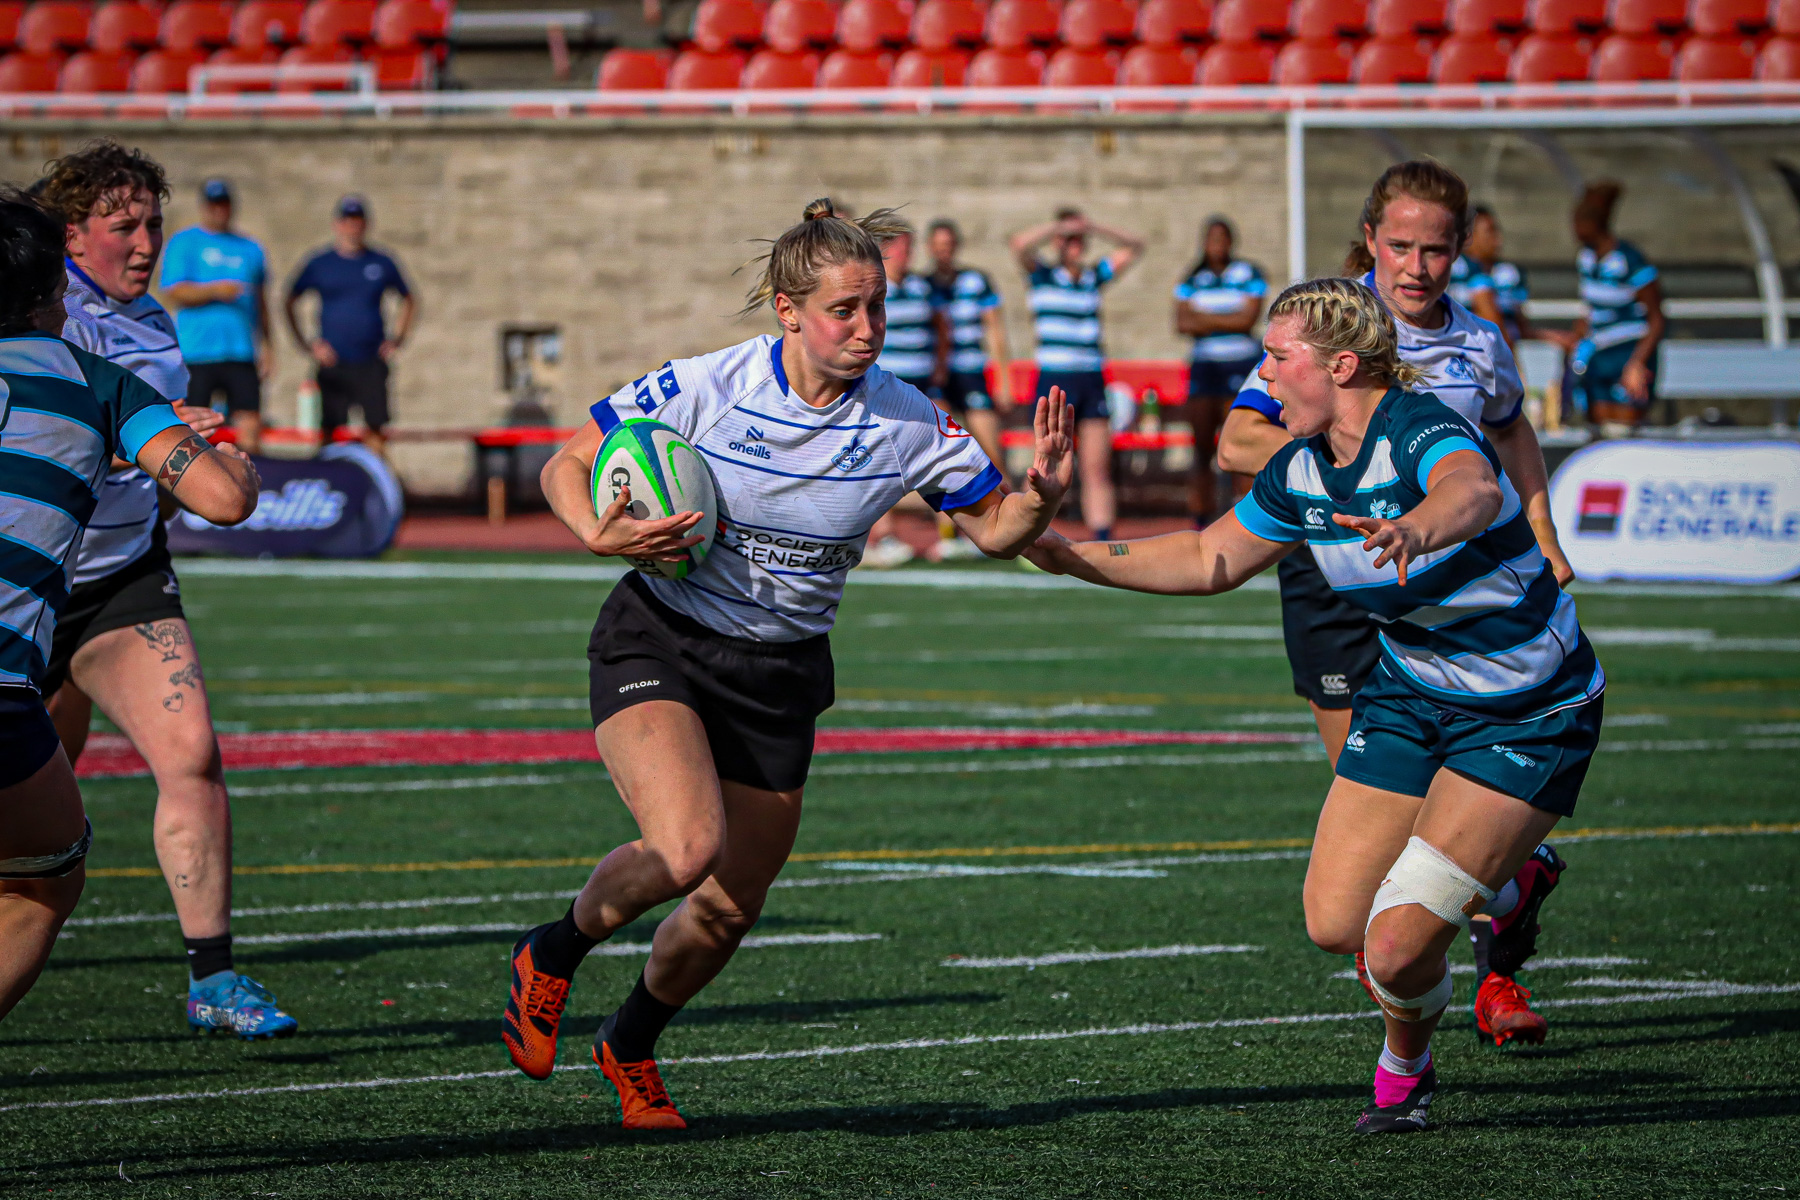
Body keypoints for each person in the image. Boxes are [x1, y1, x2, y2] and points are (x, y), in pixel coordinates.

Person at [501, 198, 1074, 1130]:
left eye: (877, 308)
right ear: (787, 309)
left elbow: (997, 529)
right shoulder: (706, 385)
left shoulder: (911, 419)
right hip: (663, 636)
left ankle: (630, 1044)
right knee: (687, 850)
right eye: (845, 309)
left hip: (782, 672)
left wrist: (1040, 496)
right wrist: (597, 531)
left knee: (728, 908)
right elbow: (568, 460)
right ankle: (551, 954)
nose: (866, 329)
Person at [1028, 277, 1606, 1134]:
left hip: (1530, 711)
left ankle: (1405, 1068)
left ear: (1341, 365)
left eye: (1277, 356)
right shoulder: (1301, 467)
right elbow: (1207, 557)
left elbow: (1472, 491)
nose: (1262, 376)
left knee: (1395, 949)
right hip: (1411, 694)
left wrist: (1419, 528)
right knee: (1337, 923)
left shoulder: (1421, 429)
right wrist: (1069, 554)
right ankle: (1511, 891)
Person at [1216, 161, 1574, 1049]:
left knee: (1444, 824)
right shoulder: (1327, 325)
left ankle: (1484, 983)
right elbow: (1235, 440)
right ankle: (1494, 902)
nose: (1417, 266)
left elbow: (1507, 433)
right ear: (1370, 239)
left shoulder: (1479, 344)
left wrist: (1543, 527)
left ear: (1461, 252)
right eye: (1401, 245)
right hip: (1339, 576)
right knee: (1394, 819)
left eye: (1438, 249)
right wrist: (1344, 467)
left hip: (1448, 584)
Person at [34, 141, 299, 1040]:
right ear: (70, 236)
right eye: (124, 225)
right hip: (26, 583)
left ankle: (214, 977)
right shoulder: (36, 319)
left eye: (154, 222)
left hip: (120, 578)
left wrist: (194, 448)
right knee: (35, 806)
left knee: (191, 755)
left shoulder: (151, 315)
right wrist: (159, 442)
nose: (147, 242)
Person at [1010, 207, 1143, 541]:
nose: (1074, 245)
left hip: (1091, 377)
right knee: (1046, 465)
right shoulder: (1041, 274)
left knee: (1097, 466)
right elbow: (1018, 244)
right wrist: (1058, 226)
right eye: (1067, 239)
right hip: (1055, 377)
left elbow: (1135, 246)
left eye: (1078, 239)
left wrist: (1093, 225)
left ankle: (1102, 538)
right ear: (1057, 240)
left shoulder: (1092, 276)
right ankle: (1035, 535)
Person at [284, 195, 416, 453]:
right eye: (347, 221)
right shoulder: (321, 263)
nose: (352, 227)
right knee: (330, 431)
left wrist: (397, 339)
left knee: (376, 429)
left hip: (370, 360)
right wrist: (307, 345)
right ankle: (328, 485)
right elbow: (289, 300)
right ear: (337, 224)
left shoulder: (380, 262)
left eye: (357, 221)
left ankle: (377, 484)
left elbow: (409, 299)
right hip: (334, 361)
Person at [925, 218, 1014, 562]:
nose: (944, 252)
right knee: (939, 452)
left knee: (991, 448)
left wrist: (1004, 379)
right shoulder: (924, 285)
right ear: (931, 249)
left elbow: (996, 331)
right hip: (941, 375)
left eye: (949, 245)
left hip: (973, 372)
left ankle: (1011, 524)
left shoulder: (975, 280)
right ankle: (948, 534)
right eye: (938, 246)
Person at [160, 178, 270, 454]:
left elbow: (261, 301)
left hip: (240, 350)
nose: (219, 211)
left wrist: (267, 345)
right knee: (193, 428)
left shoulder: (250, 248)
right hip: (197, 351)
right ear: (204, 207)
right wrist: (215, 291)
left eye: (223, 205)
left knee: (250, 421)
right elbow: (173, 291)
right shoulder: (184, 242)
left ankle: (251, 480)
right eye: (213, 205)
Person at [864, 220, 949, 568]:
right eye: (903, 247)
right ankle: (882, 537)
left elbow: (943, 327)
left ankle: (950, 536)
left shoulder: (921, 286)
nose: (909, 255)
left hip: (923, 388)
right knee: (877, 460)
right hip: (884, 389)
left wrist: (941, 368)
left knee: (943, 450)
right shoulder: (873, 285)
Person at [1547, 182, 1664, 429]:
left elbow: (1656, 319)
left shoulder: (1629, 260)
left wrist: (1637, 364)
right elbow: (1590, 310)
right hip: (1598, 354)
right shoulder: (1586, 259)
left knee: (1625, 430)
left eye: (1578, 221)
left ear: (1594, 223)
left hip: (1627, 353)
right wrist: (1574, 342)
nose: (1574, 228)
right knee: (1599, 428)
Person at [1172, 216, 1266, 526]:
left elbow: (1248, 320)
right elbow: (1182, 323)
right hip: (1205, 369)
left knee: (1240, 440)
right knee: (1201, 446)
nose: (1217, 245)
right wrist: (1228, 317)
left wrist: (1205, 318)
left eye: (1222, 238)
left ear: (1230, 242)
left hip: (1239, 366)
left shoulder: (1248, 273)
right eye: (1211, 239)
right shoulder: (1191, 278)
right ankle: (1201, 515)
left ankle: (1247, 514)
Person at [1449, 206, 1533, 351]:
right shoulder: (1455, 268)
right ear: (1469, 235)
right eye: (1490, 231)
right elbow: (1491, 321)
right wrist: (1513, 365)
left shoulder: (1509, 272)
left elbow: (1521, 328)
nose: (1498, 239)